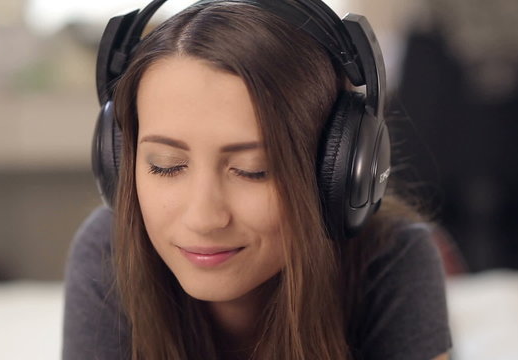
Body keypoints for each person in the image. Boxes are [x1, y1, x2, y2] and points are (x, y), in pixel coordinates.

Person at [63, 0, 452, 359]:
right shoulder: (108, 251)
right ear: (118, 162)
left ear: (337, 173)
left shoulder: (394, 259)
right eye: (166, 166)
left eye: (254, 170)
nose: (203, 217)